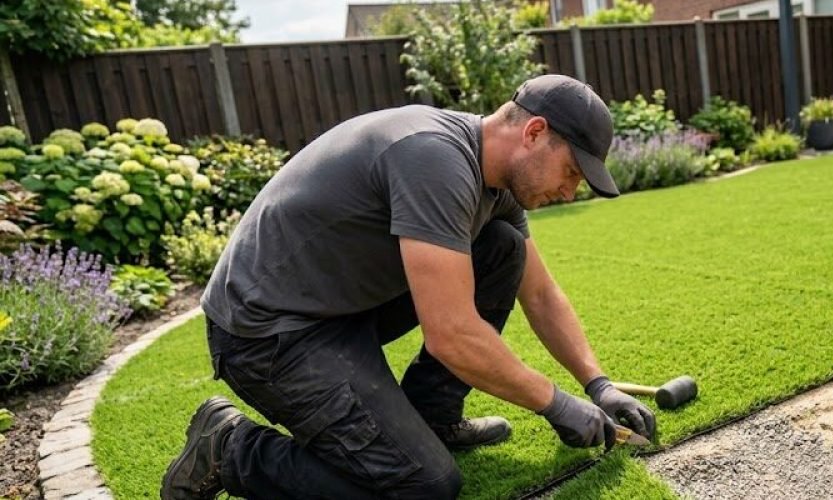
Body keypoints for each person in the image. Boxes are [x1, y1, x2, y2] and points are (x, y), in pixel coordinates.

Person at [160, 74, 657, 499]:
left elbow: (541, 293)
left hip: (339, 310)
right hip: (268, 333)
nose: (570, 191)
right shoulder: (434, 159)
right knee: (422, 487)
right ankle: (230, 449)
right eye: (571, 171)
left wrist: (598, 385)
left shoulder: (495, 183)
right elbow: (452, 334)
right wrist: (554, 402)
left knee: (503, 248)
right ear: (533, 131)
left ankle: (432, 419)